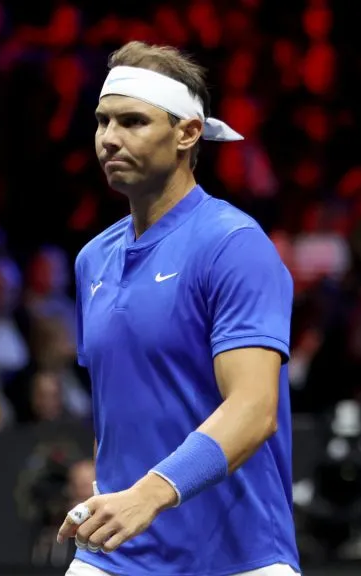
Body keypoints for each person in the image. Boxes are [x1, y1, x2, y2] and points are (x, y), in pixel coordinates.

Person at [56, 42, 300, 575]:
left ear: (188, 133)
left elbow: (254, 411)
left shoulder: (234, 243)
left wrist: (149, 494)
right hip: (116, 554)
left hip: (239, 558)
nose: (109, 139)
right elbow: (118, 408)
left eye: (133, 122)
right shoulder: (91, 260)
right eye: (102, 122)